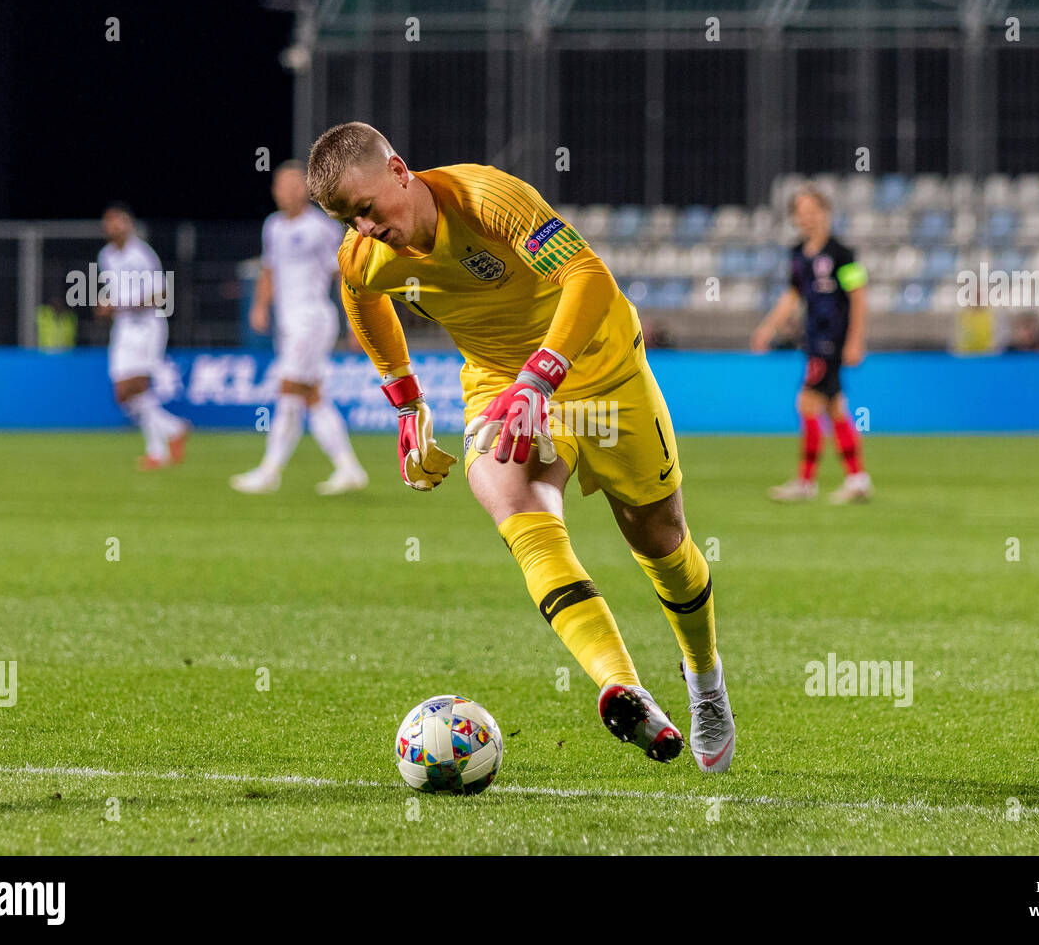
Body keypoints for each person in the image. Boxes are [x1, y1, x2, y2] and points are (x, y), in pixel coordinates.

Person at [305, 121, 734, 772]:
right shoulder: (363, 254)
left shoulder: (486, 199)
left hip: (601, 370)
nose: (364, 228)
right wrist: (406, 398)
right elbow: (361, 298)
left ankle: (704, 680)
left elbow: (588, 275)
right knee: (515, 500)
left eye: (366, 208)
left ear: (398, 170)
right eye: (348, 220)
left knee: (659, 539)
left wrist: (543, 374)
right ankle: (622, 685)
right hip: (503, 387)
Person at [230, 161, 368, 495]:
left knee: (289, 390)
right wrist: (260, 305)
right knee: (313, 396)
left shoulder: (320, 229)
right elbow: (269, 269)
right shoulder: (273, 226)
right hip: (288, 324)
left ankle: (269, 471)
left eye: (294, 185)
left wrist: (355, 322)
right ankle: (349, 468)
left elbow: (344, 276)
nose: (287, 191)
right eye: (281, 185)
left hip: (312, 321)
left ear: (305, 189)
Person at [750, 186, 871, 503]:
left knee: (806, 403)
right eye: (800, 212)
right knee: (835, 408)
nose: (806, 217)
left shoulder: (842, 253)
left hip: (832, 340)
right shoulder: (797, 254)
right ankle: (857, 479)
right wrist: (768, 328)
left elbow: (858, 296)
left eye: (812, 211)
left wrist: (855, 340)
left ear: (825, 213)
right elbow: (792, 295)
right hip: (813, 339)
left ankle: (806, 482)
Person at [96, 203, 188, 470]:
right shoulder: (106, 256)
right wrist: (106, 303)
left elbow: (161, 294)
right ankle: (173, 429)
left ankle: (157, 452)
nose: (114, 226)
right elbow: (116, 292)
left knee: (136, 387)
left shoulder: (142, 254)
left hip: (147, 326)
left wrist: (121, 304)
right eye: (109, 222)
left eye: (118, 221)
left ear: (129, 224)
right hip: (123, 328)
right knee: (122, 394)